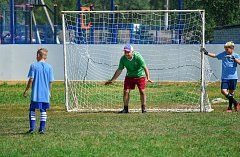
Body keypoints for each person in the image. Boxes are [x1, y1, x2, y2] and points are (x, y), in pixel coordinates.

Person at [105, 44, 153, 113]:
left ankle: (143, 109)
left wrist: (148, 77)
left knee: (142, 91)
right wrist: (113, 80)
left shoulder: (138, 57)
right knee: (126, 91)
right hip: (129, 76)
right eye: (125, 52)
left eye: (128, 52)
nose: (126, 54)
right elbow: (119, 70)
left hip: (140, 76)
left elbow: (145, 67)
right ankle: (125, 109)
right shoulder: (123, 59)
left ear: (132, 52)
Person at [202, 41, 240, 112]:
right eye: (225, 49)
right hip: (225, 77)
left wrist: (235, 59)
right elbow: (215, 56)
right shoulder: (223, 54)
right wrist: (206, 53)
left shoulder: (236, 55)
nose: (226, 50)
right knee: (223, 91)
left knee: (231, 93)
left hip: (233, 77)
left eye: (227, 49)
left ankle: (229, 108)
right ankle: (236, 103)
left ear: (232, 48)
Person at [23, 48, 54, 134]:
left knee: (32, 110)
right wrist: (49, 92)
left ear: (38, 55)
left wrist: (26, 90)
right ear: (45, 57)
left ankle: (32, 129)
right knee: (43, 110)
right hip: (45, 94)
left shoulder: (33, 66)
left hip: (36, 94)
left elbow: (31, 79)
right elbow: (50, 82)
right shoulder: (49, 67)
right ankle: (42, 129)